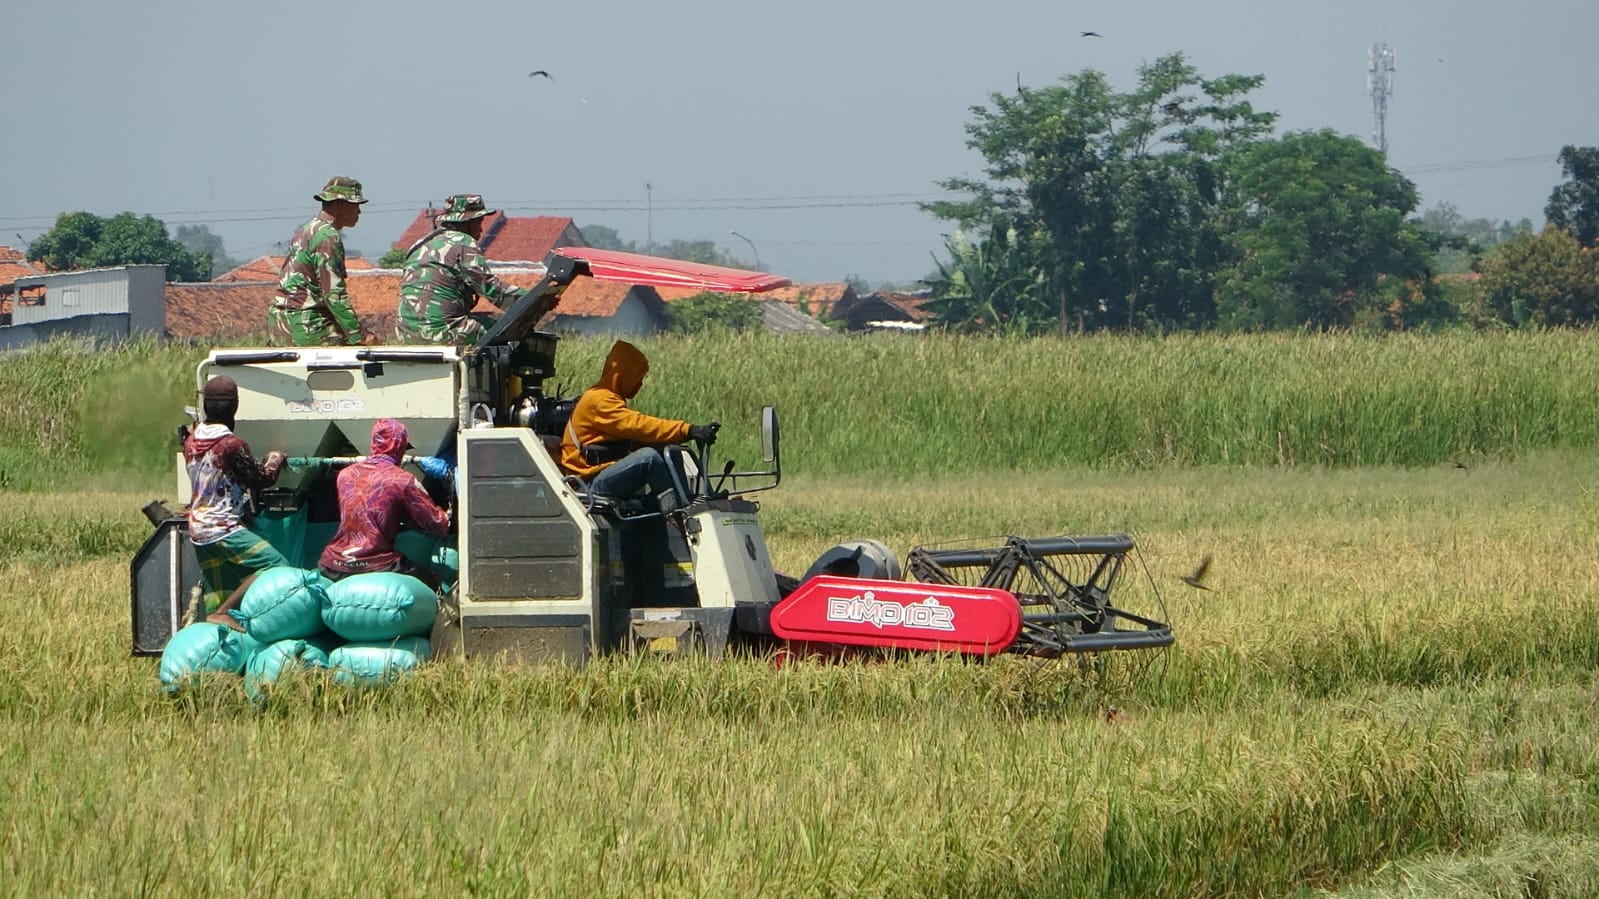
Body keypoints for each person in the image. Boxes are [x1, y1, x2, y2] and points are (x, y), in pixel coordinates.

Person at [182, 375, 289, 625]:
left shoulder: (191, 441)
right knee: (276, 565)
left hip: (198, 527)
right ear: (234, 408)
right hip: (223, 527)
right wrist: (276, 458)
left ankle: (217, 625)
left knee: (221, 588)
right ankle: (225, 613)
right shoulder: (231, 444)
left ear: (205, 406)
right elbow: (261, 478)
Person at [559, 340, 720, 503]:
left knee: (667, 448)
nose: (640, 384)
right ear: (623, 375)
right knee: (649, 458)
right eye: (637, 378)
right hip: (588, 485)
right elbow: (638, 426)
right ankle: (681, 512)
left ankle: (684, 502)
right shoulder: (599, 400)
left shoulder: (611, 399)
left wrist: (676, 437)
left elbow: (637, 438)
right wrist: (687, 430)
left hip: (603, 476)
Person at [318, 418, 451, 582]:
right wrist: (447, 515)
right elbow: (436, 525)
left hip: (333, 563)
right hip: (377, 563)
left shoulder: (345, 475)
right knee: (432, 582)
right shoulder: (402, 480)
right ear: (399, 446)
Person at [395, 194, 535, 345]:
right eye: (479, 222)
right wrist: (531, 300)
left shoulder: (419, 244)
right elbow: (489, 288)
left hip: (406, 333)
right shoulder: (463, 242)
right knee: (508, 332)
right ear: (467, 222)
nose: (481, 230)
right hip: (442, 333)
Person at [270, 175, 370, 347]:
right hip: (308, 324)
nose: (359, 212)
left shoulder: (307, 230)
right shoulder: (328, 236)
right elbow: (333, 294)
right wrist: (358, 336)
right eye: (355, 205)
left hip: (280, 324)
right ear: (340, 204)